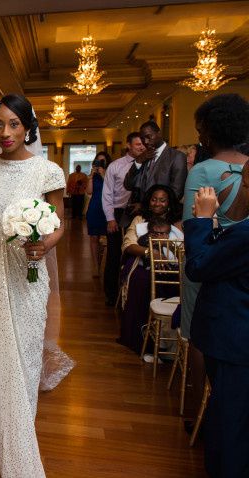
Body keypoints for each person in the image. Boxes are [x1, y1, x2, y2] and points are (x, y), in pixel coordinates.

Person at [0, 94, 66, 477]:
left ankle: (19, 430)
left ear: (27, 128)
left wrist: (43, 245)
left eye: (13, 125)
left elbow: (58, 225)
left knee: (23, 349)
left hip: (27, 271)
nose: (5, 133)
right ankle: (1, 424)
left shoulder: (47, 172)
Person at [180, 93, 249, 428]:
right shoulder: (246, 164)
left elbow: (192, 228)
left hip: (210, 262)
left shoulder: (203, 172)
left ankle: (195, 412)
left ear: (209, 132)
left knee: (197, 335)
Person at [185, 186, 249, 478]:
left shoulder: (246, 233)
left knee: (230, 427)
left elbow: (199, 266)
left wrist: (202, 219)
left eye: (245, 184)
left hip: (235, 342)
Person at [117, 184, 183, 354]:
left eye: (162, 200)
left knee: (179, 283)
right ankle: (139, 338)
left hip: (172, 266)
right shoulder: (140, 219)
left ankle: (168, 343)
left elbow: (182, 247)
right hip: (143, 262)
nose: (157, 203)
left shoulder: (177, 221)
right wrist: (151, 252)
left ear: (169, 203)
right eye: (154, 199)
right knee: (141, 280)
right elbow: (128, 245)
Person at [102, 132, 145, 306]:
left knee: (135, 255)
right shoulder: (116, 166)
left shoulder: (149, 164)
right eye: (137, 144)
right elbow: (107, 194)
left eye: (143, 144)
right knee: (115, 256)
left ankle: (132, 296)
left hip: (140, 214)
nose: (142, 147)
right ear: (128, 145)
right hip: (119, 214)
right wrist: (110, 218)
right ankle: (112, 296)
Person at [131, 120, 188, 202]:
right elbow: (128, 185)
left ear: (159, 133)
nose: (146, 142)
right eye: (143, 139)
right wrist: (138, 161)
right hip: (142, 212)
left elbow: (177, 192)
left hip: (163, 212)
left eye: (148, 136)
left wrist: (152, 206)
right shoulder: (143, 157)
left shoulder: (177, 157)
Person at [85, 153, 109, 277]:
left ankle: (103, 264)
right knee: (93, 237)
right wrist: (91, 177)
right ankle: (95, 266)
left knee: (105, 239)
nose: (100, 164)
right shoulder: (93, 176)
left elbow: (111, 188)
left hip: (107, 209)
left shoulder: (110, 174)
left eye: (103, 162)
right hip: (94, 207)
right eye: (98, 162)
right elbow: (89, 192)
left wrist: (104, 174)